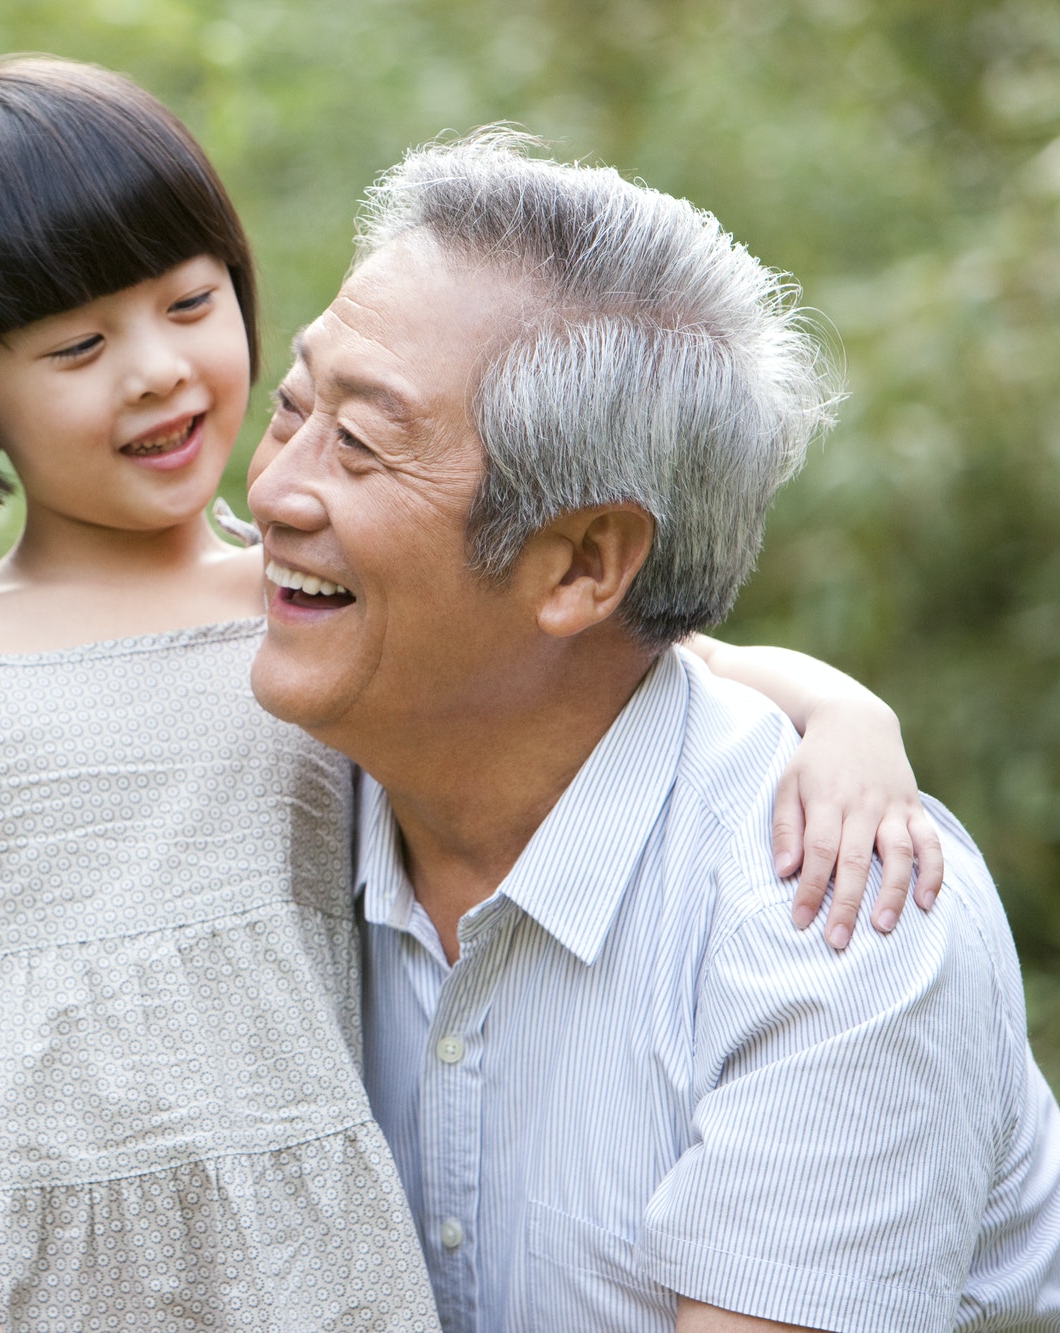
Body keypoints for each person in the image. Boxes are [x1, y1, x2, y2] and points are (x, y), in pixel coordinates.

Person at [0, 61, 938, 1331]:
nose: (156, 372)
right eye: (77, 346)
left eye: (190, 304)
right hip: (28, 1261)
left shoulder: (303, 613)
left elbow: (660, 651)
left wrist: (847, 716)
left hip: (300, 1254)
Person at [246, 128, 1060, 1331]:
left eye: (359, 444)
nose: (269, 492)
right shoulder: (254, 777)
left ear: (580, 566)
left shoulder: (839, 924)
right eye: (292, 406)